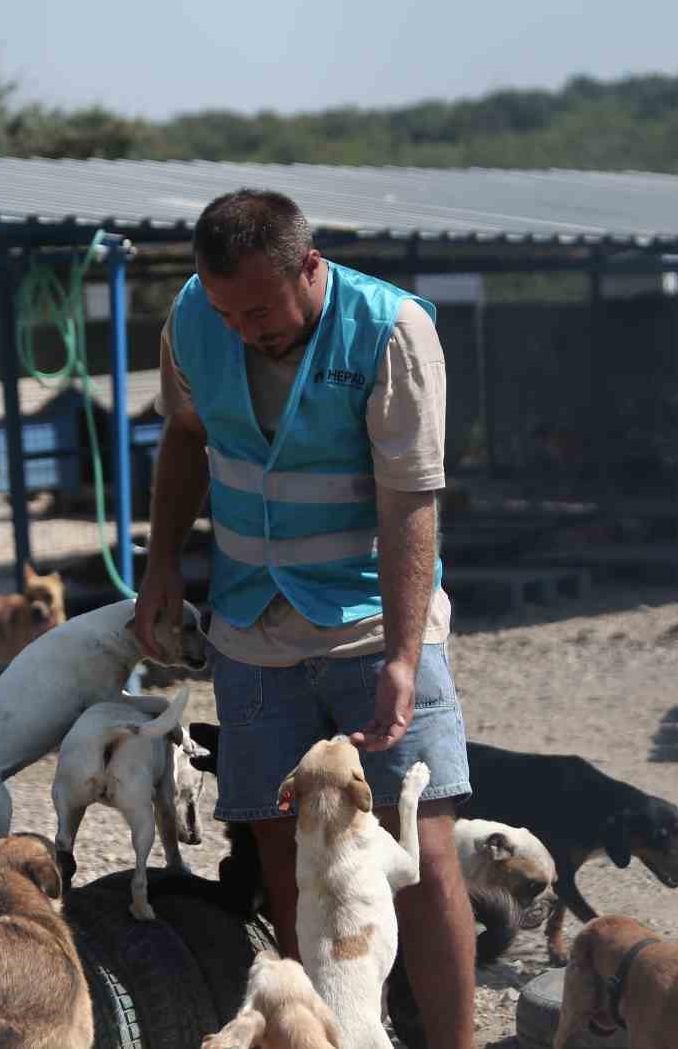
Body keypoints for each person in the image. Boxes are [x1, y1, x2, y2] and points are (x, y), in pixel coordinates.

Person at [135, 188, 475, 1049]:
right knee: (293, 868)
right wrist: (163, 563)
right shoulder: (195, 318)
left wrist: (403, 655)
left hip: (371, 625)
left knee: (424, 861)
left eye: (260, 310)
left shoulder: (392, 331)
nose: (246, 330)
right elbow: (186, 436)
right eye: (227, 311)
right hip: (253, 630)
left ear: (310, 267)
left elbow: (411, 502)